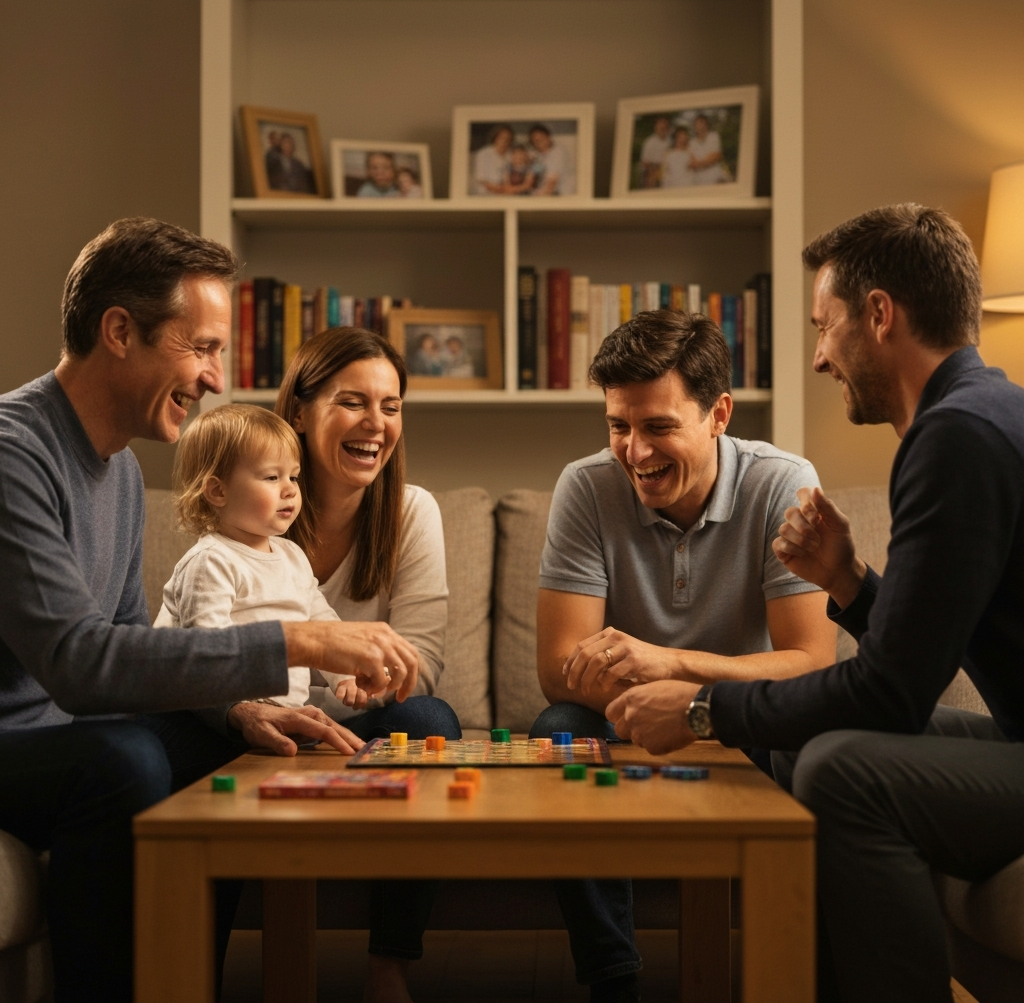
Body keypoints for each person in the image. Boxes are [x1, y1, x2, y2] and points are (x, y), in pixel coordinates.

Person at [608, 204, 1024, 1003]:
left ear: (879, 315)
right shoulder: (972, 414)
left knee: (842, 769)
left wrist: (703, 711)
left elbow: (893, 694)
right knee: (816, 741)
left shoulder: (958, 437)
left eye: (824, 327)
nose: (821, 356)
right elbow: (919, 649)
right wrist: (848, 582)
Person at [0, 217, 422, 1003]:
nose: (216, 378)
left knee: (235, 747)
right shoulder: (12, 453)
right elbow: (81, 665)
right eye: (201, 348)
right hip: (17, 739)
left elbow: (130, 645)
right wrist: (300, 640)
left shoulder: (121, 474)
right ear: (119, 331)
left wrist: (235, 713)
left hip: (67, 734)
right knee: (123, 760)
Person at [533, 310, 836, 1003]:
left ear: (718, 414)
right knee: (555, 731)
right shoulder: (586, 486)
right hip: (624, 716)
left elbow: (812, 662)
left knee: (815, 747)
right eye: (618, 426)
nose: (634, 452)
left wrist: (671, 666)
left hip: (744, 718)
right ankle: (613, 979)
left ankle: (789, 976)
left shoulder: (782, 482)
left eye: (658, 427)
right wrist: (649, 691)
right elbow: (559, 669)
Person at [276, 327, 462, 1003]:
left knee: (430, 719)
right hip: (264, 716)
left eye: (390, 406)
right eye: (352, 402)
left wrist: (377, 682)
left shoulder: (412, 512)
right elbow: (217, 643)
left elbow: (426, 659)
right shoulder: (248, 502)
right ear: (300, 411)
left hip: (370, 721)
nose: (375, 425)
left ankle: (389, 967)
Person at [154, 404, 364, 711]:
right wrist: (244, 709)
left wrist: (345, 675)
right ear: (217, 491)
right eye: (271, 477)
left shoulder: (292, 556)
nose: (290, 490)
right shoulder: (211, 562)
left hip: (283, 713)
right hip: (217, 717)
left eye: (293, 477)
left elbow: (320, 624)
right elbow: (207, 651)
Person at [529, 123, 575, 196]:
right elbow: (534, 176)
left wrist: (532, 198)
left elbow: (551, 184)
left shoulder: (557, 152)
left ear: (548, 136)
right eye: (535, 141)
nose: (539, 142)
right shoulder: (540, 155)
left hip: (564, 194)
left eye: (541, 138)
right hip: (548, 193)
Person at [472, 124, 513, 195]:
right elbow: (482, 180)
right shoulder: (483, 154)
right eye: (502, 138)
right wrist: (500, 190)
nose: (505, 141)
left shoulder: (512, 154)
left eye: (508, 139)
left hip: (506, 193)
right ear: (495, 138)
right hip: (486, 194)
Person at [687, 114, 727, 185]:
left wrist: (700, 163)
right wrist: (707, 161)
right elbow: (692, 164)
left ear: (707, 125)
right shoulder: (691, 143)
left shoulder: (714, 136)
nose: (700, 126)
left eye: (702, 123)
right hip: (699, 182)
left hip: (716, 179)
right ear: (694, 126)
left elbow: (716, 156)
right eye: (697, 124)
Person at [638, 116, 671, 188]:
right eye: (661, 126)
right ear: (656, 127)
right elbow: (645, 163)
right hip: (651, 175)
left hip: (667, 174)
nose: (663, 128)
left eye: (665, 126)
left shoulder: (670, 142)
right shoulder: (649, 142)